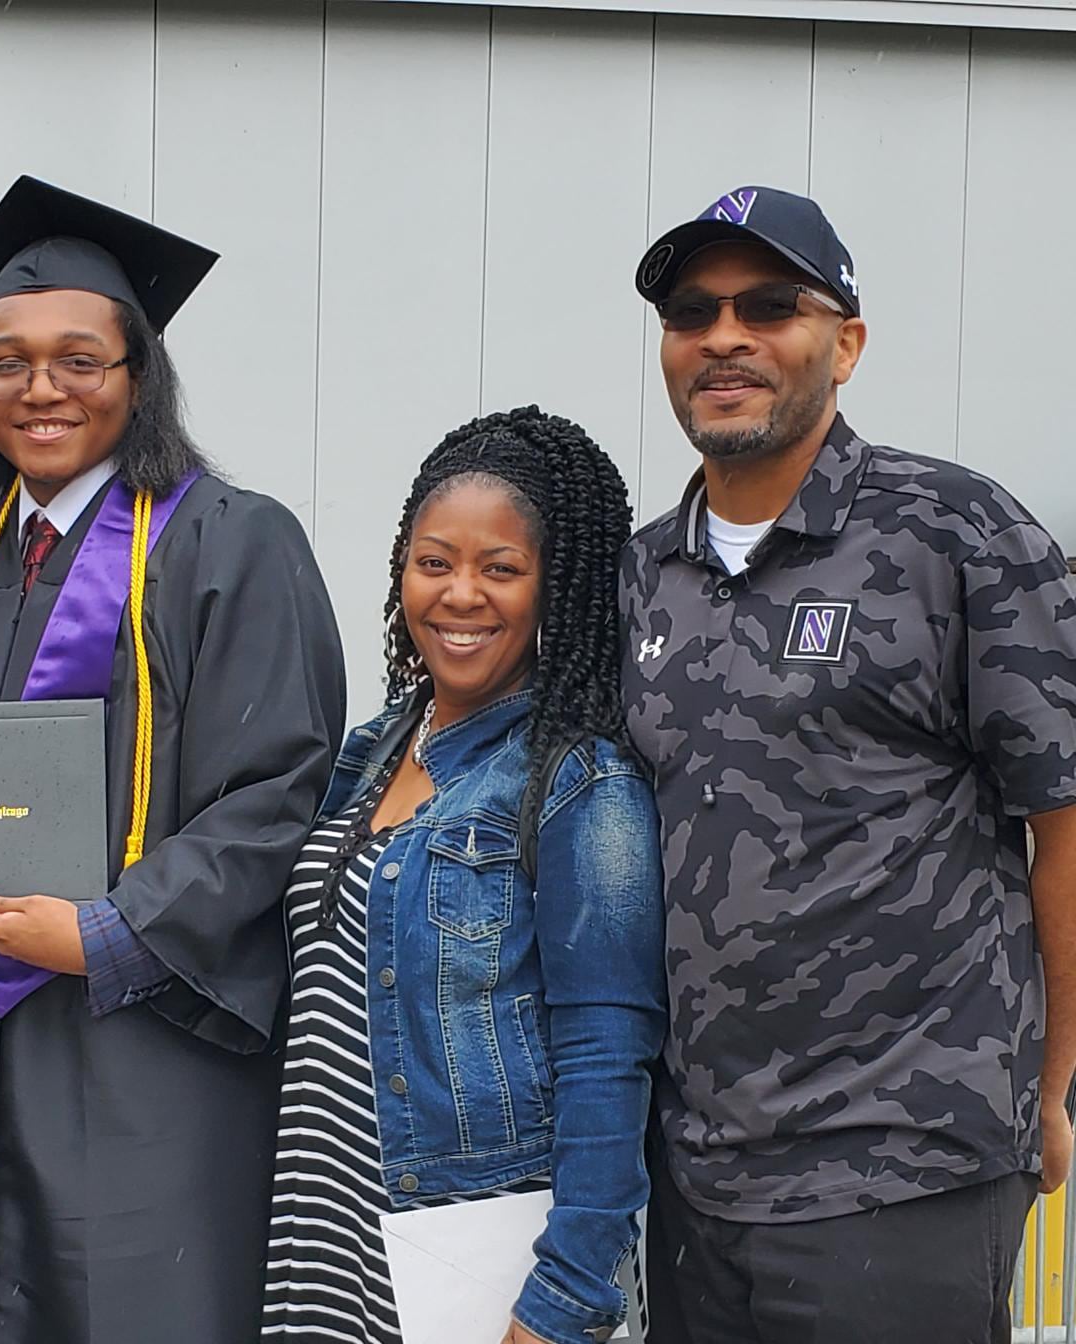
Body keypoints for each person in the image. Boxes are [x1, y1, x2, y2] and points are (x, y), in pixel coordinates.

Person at [624, 185, 1076, 1341]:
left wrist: (1057, 1079)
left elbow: (1064, 812)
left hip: (902, 1157)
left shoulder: (955, 534)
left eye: (770, 305)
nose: (724, 337)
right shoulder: (639, 577)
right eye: (692, 312)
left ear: (847, 341)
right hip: (697, 1172)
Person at [0, 175, 348, 1344]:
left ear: (137, 377)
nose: (40, 388)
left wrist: (107, 931)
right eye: (7, 361)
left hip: (147, 1027)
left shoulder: (233, 540)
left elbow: (281, 790)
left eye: (78, 359)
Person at [259, 407, 664, 1344]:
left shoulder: (578, 780)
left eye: (502, 569)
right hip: (324, 1235)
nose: (461, 595)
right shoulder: (370, 752)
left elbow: (609, 1055)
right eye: (434, 562)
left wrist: (564, 1298)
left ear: (554, 589)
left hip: (471, 1244)